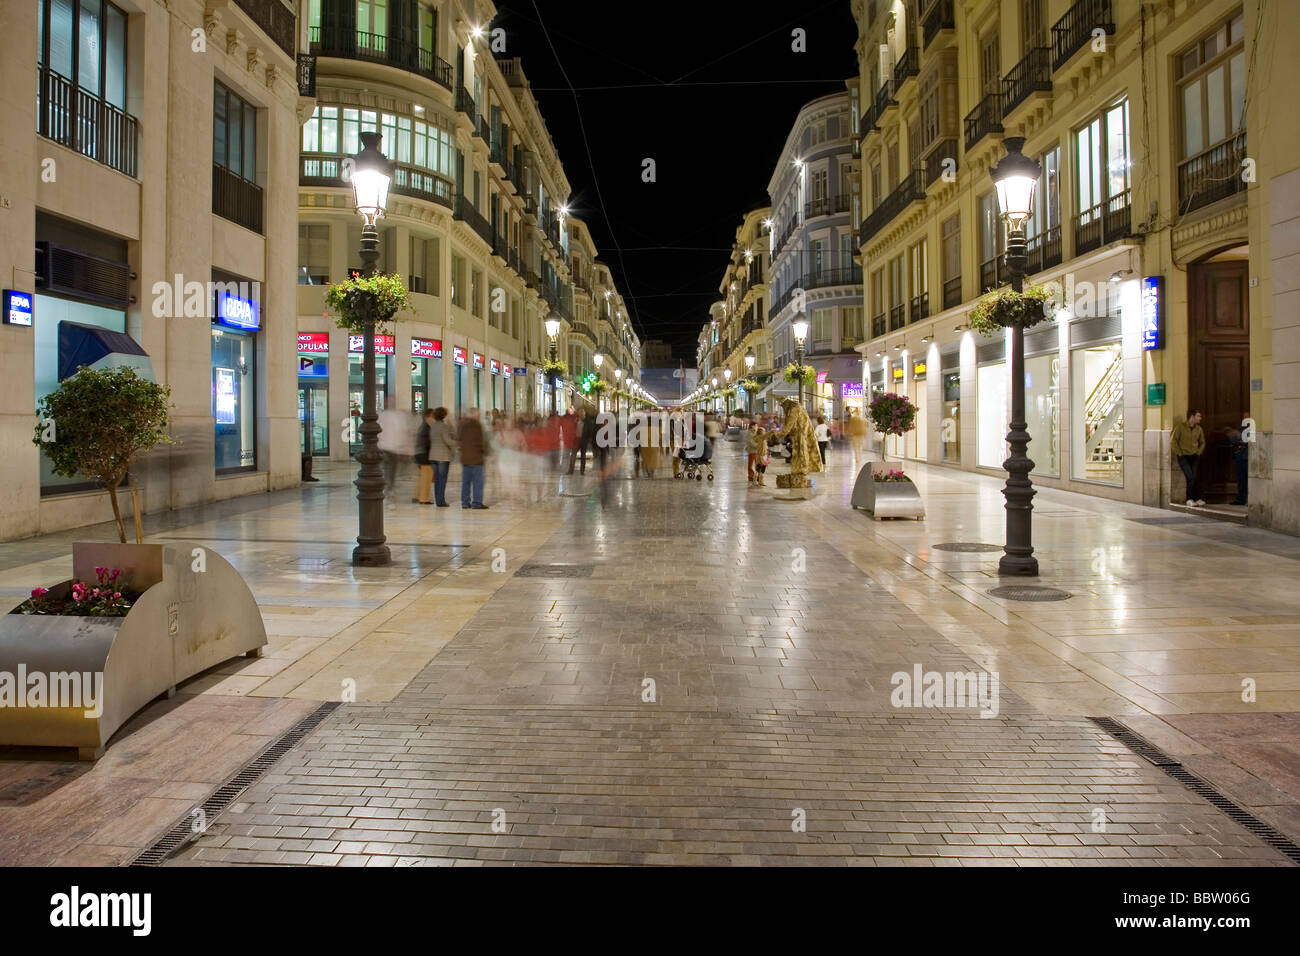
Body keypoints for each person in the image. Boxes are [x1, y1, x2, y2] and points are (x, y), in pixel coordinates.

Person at [1171, 409, 1206, 507]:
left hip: (1194, 456)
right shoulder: (1180, 427)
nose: (1200, 418)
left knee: (1194, 477)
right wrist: (1180, 453)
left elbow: (1202, 442)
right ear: (1192, 417)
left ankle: (1197, 498)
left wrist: (1199, 452)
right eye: (1198, 416)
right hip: (1183, 457)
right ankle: (1189, 499)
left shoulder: (1199, 429)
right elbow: (1173, 441)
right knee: (1190, 476)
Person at [378, 406, 416, 496]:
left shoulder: (391, 417)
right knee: (390, 468)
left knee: (389, 468)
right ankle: (389, 485)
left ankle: (389, 485)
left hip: (390, 448)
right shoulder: (388, 417)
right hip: (388, 448)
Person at [457, 408, 490, 509]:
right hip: (476, 459)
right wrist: (486, 452)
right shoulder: (478, 426)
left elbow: (459, 439)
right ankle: (476, 502)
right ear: (476, 416)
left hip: (465, 459)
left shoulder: (462, 426)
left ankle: (465, 502)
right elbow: (483, 441)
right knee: (478, 482)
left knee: (466, 482)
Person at [426, 407, 457, 507]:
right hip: (443, 456)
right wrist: (457, 443)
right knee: (442, 479)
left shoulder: (433, 426)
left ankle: (438, 500)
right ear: (444, 415)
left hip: (433, 456)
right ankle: (441, 501)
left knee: (437, 480)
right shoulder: (444, 426)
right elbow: (447, 440)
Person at [1227, 421, 1249, 506]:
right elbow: (1233, 439)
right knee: (1241, 478)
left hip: (1247, 455)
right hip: (1240, 455)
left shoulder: (1252, 428)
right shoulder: (1239, 429)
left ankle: (1246, 499)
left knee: (1246, 479)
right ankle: (1241, 499)